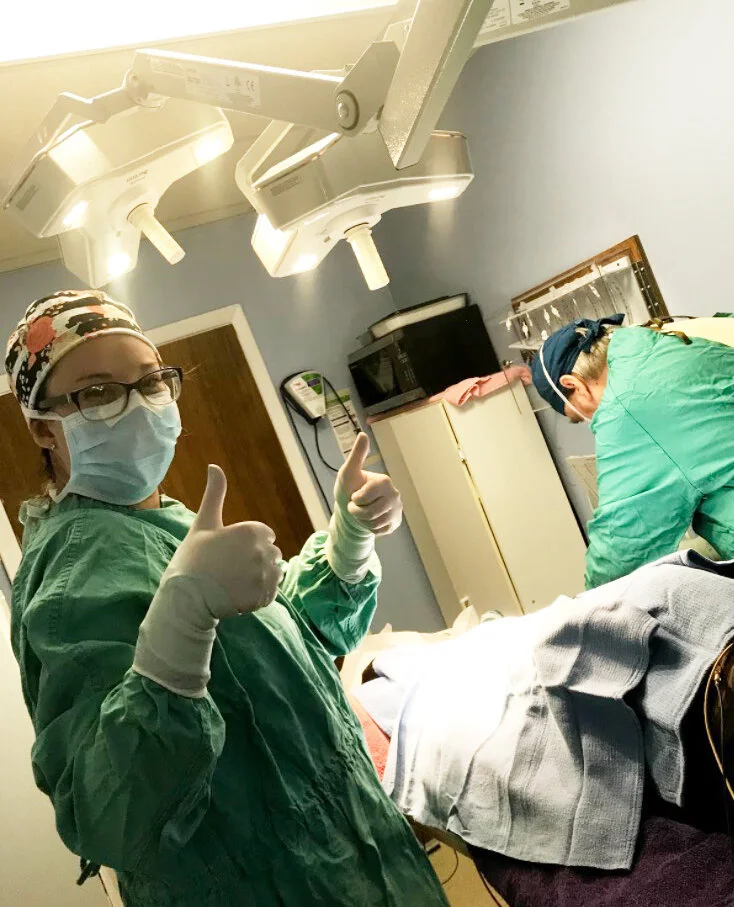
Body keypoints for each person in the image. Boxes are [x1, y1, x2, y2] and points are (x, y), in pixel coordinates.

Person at [4, 290, 449, 907]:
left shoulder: (164, 523)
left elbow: (282, 652)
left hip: (360, 848)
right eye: (98, 393)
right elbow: (112, 812)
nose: (140, 407)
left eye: (151, 381)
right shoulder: (75, 571)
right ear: (41, 427)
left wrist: (348, 538)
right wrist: (178, 631)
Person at [531, 313, 734, 589]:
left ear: (572, 384)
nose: (591, 421)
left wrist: (586, 607)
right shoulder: (661, 340)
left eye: (579, 416)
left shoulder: (627, 408)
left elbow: (622, 548)